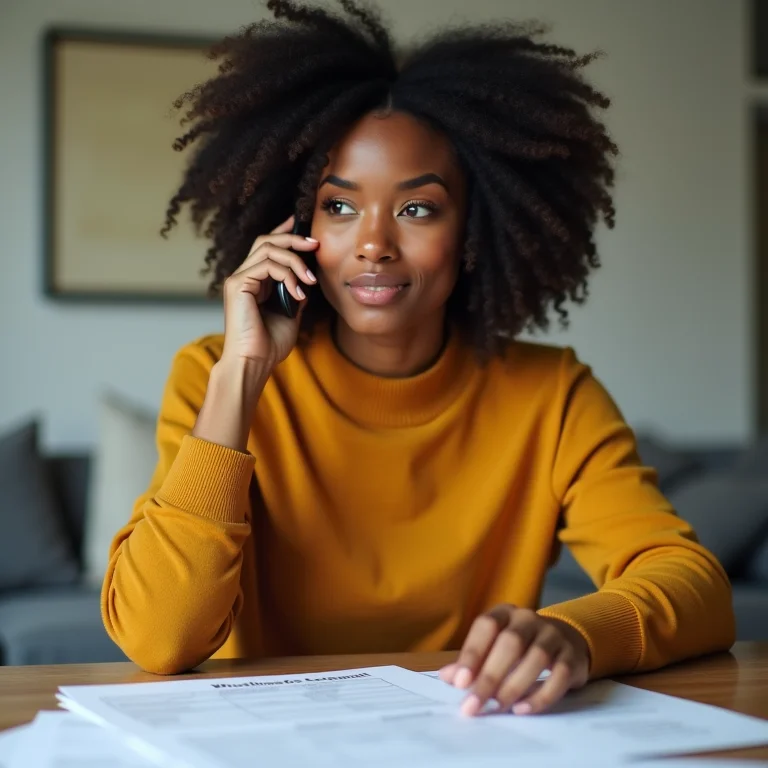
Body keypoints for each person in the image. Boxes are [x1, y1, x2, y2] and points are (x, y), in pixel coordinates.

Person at [102, 0, 735, 717]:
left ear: (474, 232)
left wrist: (574, 636)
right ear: (297, 224)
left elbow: (697, 586)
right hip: (271, 739)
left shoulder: (550, 394)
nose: (373, 243)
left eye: (417, 209)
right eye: (340, 208)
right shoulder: (218, 374)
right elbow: (160, 639)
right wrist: (242, 376)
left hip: (467, 730)